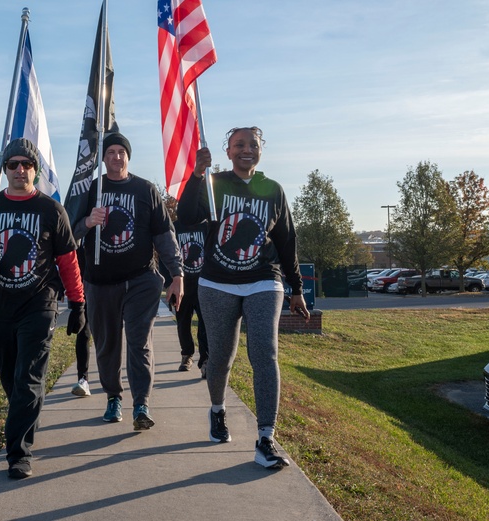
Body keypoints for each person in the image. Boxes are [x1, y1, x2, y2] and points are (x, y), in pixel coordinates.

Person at [177, 126, 311, 469]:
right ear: (229, 151)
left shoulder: (273, 190)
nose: (246, 149)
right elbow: (186, 217)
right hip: (217, 283)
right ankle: (218, 410)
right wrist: (196, 175)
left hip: (264, 280)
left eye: (253, 144)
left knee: (264, 353)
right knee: (221, 356)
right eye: (239, 145)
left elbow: (286, 242)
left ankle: (266, 437)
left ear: (261, 150)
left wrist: (297, 289)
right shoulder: (214, 183)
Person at [0, 137, 87, 480]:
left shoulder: (50, 210)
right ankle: (26, 418)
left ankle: (18, 453)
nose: (20, 170)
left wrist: (77, 303)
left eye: (26, 164)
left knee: (28, 379)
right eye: (13, 164)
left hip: (39, 304)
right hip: (0, 307)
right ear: (4, 170)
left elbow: (68, 261)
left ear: (36, 170)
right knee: (10, 376)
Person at [72, 131, 183, 430]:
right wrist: (87, 222)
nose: (116, 157)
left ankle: (141, 405)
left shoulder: (145, 190)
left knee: (139, 342)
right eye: (110, 152)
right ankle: (113, 398)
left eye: (121, 152)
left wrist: (177, 274)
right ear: (103, 158)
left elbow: (164, 236)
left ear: (128, 156)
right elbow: (69, 233)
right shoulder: (91, 190)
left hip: (140, 280)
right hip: (100, 282)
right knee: (107, 344)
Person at [174, 221, 209, 377]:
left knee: (205, 325)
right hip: (182, 287)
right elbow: (165, 252)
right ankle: (187, 355)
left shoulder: (207, 226)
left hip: (204, 285)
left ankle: (205, 360)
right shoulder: (175, 226)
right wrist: (171, 282)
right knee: (183, 324)